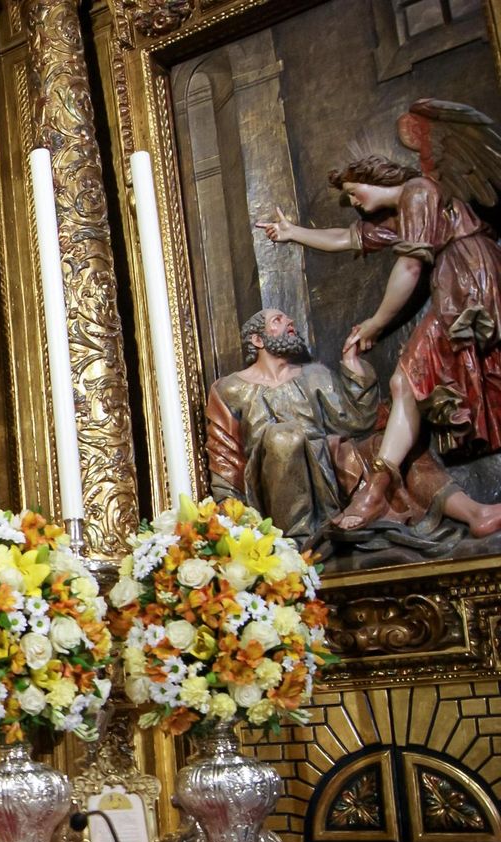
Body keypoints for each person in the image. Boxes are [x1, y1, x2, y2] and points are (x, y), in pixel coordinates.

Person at [255, 101, 501, 530]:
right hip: (458, 282)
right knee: (406, 381)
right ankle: (380, 492)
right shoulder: (407, 209)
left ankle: (375, 493)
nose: (354, 202)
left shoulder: (419, 192)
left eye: (354, 192)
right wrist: (293, 233)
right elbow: (346, 238)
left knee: (407, 379)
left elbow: (409, 267)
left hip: (468, 282)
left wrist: (375, 323)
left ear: (375, 177)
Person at [206, 308, 501, 558]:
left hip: (329, 472)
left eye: (289, 320)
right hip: (274, 486)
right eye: (278, 321)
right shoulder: (230, 388)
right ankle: (295, 548)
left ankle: (474, 513)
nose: (289, 323)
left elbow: (355, 422)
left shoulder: (313, 374)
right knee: (284, 437)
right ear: (258, 339)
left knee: (391, 445)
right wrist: (231, 518)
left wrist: (351, 366)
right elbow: (225, 456)